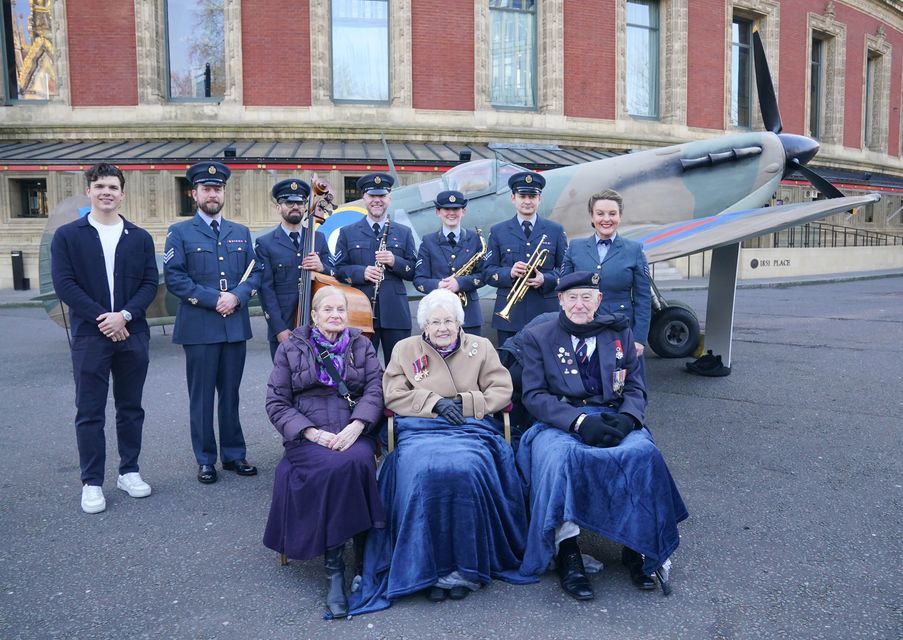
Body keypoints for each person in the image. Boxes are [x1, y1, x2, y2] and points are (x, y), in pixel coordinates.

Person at [350, 289, 534, 615]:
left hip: (471, 429)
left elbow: (502, 389)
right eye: (435, 321)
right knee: (422, 473)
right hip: (421, 430)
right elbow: (391, 394)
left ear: (459, 322)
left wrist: (466, 403)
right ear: (424, 325)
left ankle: (462, 568)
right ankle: (429, 570)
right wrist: (433, 402)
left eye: (449, 320)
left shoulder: (481, 347)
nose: (443, 327)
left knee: (467, 471)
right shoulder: (406, 349)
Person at [516, 272, 688, 600]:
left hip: (613, 416)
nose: (579, 304)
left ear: (598, 301)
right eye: (572, 298)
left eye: (586, 298)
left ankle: (637, 545)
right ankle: (567, 549)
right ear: (561, 301)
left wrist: (627, 419)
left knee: (642, 454)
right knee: (562, 459)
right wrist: (579, 422)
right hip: (560, 422)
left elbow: (635, 385)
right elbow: (535, 396)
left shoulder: (618, 332)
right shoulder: (539, 337)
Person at [264, 286, 386, 619]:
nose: (335, 315)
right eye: (327, 309)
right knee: (334, 467)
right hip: (308, 434)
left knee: (358, 460)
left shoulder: (362, 345)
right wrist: (311, 432)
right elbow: (276, 402)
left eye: (341, 310)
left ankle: (359, 558)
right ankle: (338, 569)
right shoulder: (290, 347)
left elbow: (375, 391)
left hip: (352, 428)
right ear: (313, 315)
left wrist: (358, 425)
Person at [51, 163, 159, 514]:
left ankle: (129, 471)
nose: (106, 192)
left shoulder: (139, 237)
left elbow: (148, 283)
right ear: (89, 191)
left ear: (122, 193)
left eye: (112, 186)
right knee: (90, 411)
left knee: (130, 409)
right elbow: (65, 284)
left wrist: (124, 316)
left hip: (132, 333)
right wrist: (105, 319)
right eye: (99, 186)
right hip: (90, 336)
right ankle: (92, 482)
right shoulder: (69, 236)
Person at [163, 161, 263, 484]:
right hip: (200, 327)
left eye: (217, 189)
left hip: (234, 326)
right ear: (194, 194)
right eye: (206, 188)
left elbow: (255, 272)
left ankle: (234, 454)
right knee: (202, 396)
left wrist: (237, 296)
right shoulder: (179, 233)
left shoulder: (240, 232)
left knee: (231, 394)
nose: (212, 194)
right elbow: (175, 278)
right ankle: (206, 459)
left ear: (223, 193)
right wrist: (213, 299)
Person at [332, 173, 416, 364]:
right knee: (359, 368)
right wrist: (362, 273)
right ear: (364, 198)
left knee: (399, 369)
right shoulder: (347, 232)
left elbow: (414, 272)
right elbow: (338, 269)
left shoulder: (404, 233)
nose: (377, 201)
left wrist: (395, 261)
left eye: (382, 196)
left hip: (395, 313)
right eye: (372, 196)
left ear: (389, 199)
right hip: (361, 312)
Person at [560, 188, 651, 357]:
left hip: (620, 329)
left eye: (612, 213)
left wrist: (639, 338)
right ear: (592, 216)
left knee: (621, 381)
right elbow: (565, 293)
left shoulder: (635, 250)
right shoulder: (574, 248)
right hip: (581, 327)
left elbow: (643, 299)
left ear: (620, 216)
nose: (606, 219)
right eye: (600, 213)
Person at [484, 171, 567, 347]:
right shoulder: (498, 231)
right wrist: (510, 273)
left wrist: (546, 279)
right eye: (522, 196)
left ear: (540, 199)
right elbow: (487, 272)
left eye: (532, 196)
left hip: (545, 313)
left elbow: (566, 270)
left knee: (548, 368)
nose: (527, 201)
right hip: (510, 314)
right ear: (513, 198)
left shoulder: (555, 230)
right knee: (509, 368)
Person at [255, 177, 333, 360]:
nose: (295, 206)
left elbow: (334, 274)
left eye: (300, 202)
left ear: (306, 206)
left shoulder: (318, 238)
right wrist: (279, 329)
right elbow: (266, 290)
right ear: (278, 207)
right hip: (284, 326)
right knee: (285, 382)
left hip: (318, 325)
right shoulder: (265, 243)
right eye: (289, 202)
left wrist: (322, 267)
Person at [413, 190, 486, 335]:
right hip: (436, 317)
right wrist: (439, 285)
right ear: (438, 212)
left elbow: (484, 275)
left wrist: (459, 283)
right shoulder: (428, 241)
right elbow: (419, 280)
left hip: (469, 315)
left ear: (463, 211)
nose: (451, 213)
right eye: (446, 209)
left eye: (456, 209)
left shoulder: (476, 239)